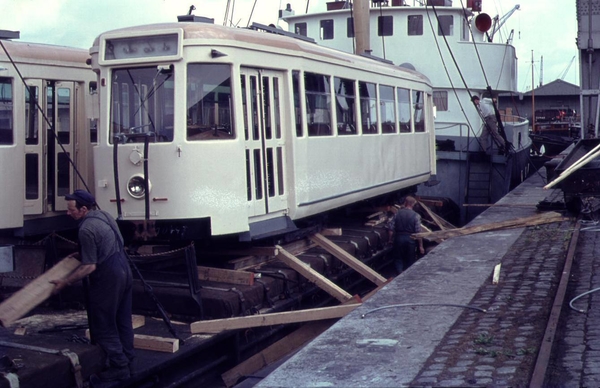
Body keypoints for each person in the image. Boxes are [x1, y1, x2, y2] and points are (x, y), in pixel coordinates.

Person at [51, 189, 134, 382]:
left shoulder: (85, 229)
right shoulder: (104, 215)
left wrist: (66, 281)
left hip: (109, 277)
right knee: (123, 321)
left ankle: (119, 366)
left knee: (103, 324)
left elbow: (89, 267)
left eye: (71, 209)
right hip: (124, 269)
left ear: (84, 209)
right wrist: (83, 253)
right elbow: (113, 242)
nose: (68, 212)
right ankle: (130, 363)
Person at [386, 196, 425, 274]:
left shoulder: (397, 213)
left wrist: (390, 240)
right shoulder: (416, 216)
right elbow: (418, 232)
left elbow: (390, 228)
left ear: (405, 203)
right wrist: (421, 246)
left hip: (398, 238)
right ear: (413, 205)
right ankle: (408, 275)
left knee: (398, 258)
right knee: (410, 259)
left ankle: (399, 273)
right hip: (410, 240)